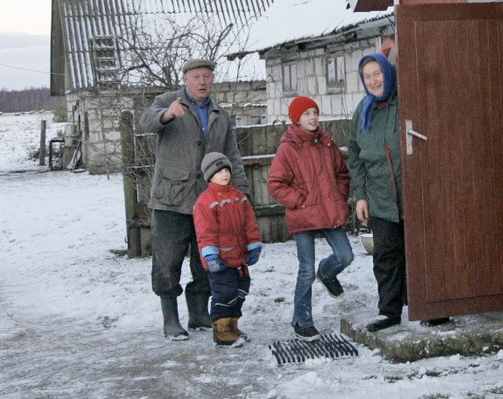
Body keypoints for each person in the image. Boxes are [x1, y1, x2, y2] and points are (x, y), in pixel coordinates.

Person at [138, 58, 250, 340]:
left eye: (207, 77)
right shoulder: (167, 101)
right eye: (196, 76)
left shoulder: (219, 114)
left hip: (208, 202)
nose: (202, 82)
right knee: (167, 260)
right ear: (185, 79)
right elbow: (146, 121)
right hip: (171, 199)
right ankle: (171, 319)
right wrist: (167, 115)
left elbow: (231, 155)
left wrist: (242, 191)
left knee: (205, 261)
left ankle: (199, 314)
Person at [267, 95, 353, 342]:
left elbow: (342, 174)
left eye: (315, 112)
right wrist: (299, 201)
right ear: (296, 119)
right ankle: (302, 321)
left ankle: (326, 274)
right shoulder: (288, 147)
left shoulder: (327, 142)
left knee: (345, 256)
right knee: (306, 270)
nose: (313, 117)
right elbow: (275, 183)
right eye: (307, 114)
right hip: (303, 214)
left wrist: (338, 196)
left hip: (329, 211)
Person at [346, 52, 406, 332]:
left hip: (413, 192)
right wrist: (361, 195)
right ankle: (389, 311)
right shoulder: (363, 111)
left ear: (388, 72)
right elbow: (355, 155)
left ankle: (430, 304)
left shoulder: (406, 102)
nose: (373, 80)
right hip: (380, 196)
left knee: (421, 251)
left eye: (377, 73)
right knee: (385, 255)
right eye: (367, 76)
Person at [193, 152, 263, 347]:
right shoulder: (205, 202)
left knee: (240, 291)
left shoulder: (239, 198)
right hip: (220, 261)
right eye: (219, 171)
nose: (224, 174)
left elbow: (250, 223)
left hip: (239, 259)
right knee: (224, 294)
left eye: (226, 169)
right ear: (209, 175)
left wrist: (254, 244)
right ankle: (222, 331)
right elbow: (205, 232)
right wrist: (210, 255)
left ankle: (232, 325)